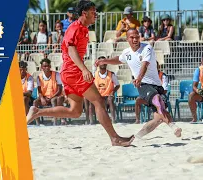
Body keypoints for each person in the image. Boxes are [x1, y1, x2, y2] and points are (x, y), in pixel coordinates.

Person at [27, 1, 134, 146]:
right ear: (84, 13)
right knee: (99, 101)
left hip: (69, 72)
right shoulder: (75, 28)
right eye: (93, 12)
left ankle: (38, 112)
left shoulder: (83, 29)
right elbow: (71, 50)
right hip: (73, 72)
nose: (95, 14)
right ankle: (115, 138)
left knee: (75, 111)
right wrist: (84, 69)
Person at [95, 28, 182, 139]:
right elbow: (119, 59)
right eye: (132, 37)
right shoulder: (127, 52)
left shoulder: (147, 48)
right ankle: (171, 124)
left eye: (137, 36)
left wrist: (139, 77)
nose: (135, 39)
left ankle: (139, 135)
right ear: (127, 39)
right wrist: (105, 61)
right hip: (143, 84)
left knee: (158, 118)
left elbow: (144, 64)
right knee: (157, 100)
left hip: (156, 84)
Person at [86, 56, 120, 124]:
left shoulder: (111, 74)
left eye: (104, 61)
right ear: (98, 64)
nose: (102, 63)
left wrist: (112, 92)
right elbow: (90, 85)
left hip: (107, 96)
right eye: (101, 62)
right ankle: (91, 121)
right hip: (98, 96)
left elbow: (118, 85)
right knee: (91, 101)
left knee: (110, 100)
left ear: (106, 63)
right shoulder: (94, 74)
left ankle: (113, 120)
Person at [33, 58, 64, 126]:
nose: (46, 68)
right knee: (35, 102)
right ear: (41, 67)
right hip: (45, 97)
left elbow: (59, 90)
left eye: (48, 66)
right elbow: (39, 90)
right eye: (44, 66)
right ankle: (37, 123)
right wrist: (42, 98)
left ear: (50, 66)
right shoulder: (39, 77)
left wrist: (50, 98)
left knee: (53, 100)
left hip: (55, 96)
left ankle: (55, 122)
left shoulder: (56, 75)